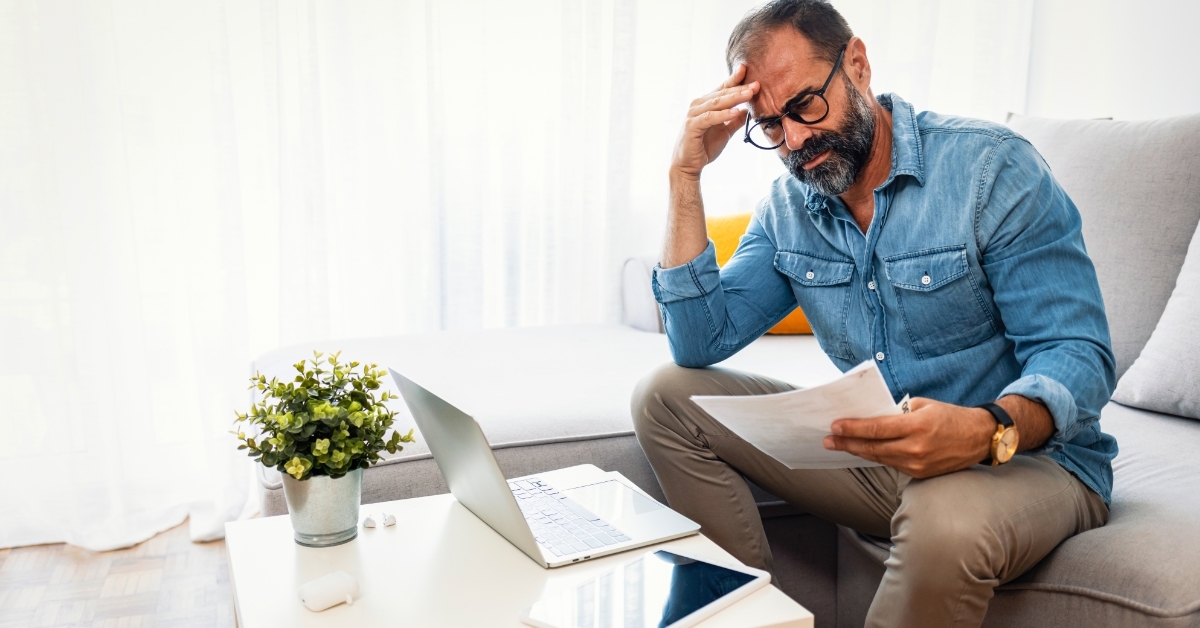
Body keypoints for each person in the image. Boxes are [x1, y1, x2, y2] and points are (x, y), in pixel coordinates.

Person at [629, 1, 1117, 626]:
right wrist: (684, 174)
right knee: (665, 396)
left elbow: (1078, 353)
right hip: (892, 462)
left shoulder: (990, 170)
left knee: (944, 514)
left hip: (1025, 460)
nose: (796, 140)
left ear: (856, 64)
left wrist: (983, 428)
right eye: (770, 125)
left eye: (805, 104)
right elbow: (696, 344)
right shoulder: (789, 207)